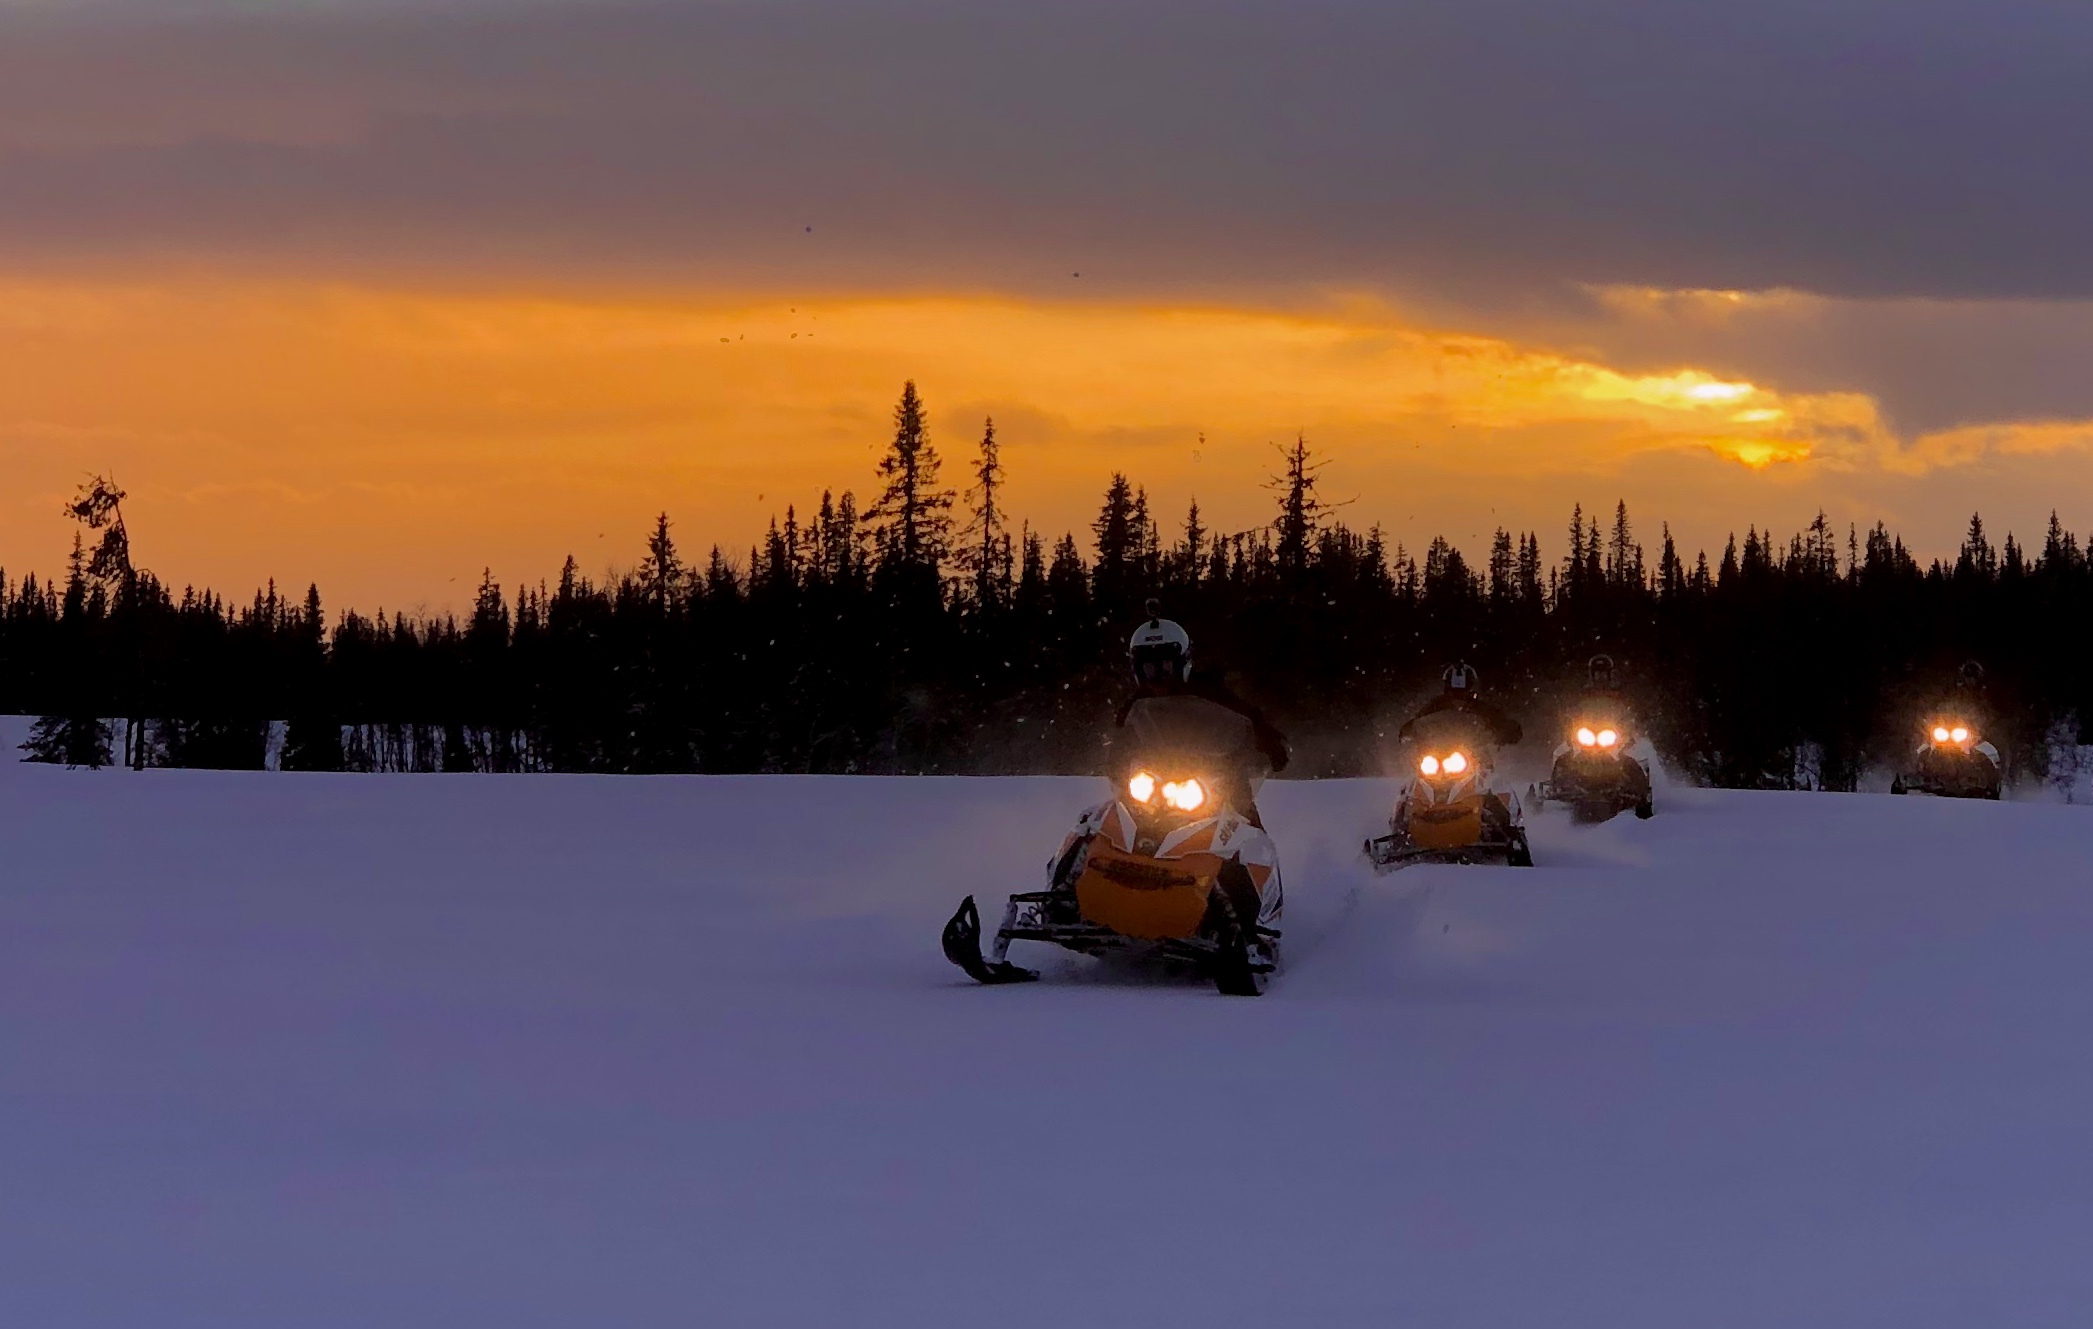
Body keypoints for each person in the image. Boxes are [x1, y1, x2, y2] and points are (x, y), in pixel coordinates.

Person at [1113, 604, 1289, 825]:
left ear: (1182, 663)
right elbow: (1121, 739)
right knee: (1107, 820)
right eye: (1149, 669)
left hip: (1213, 789)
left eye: (1166, 667)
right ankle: (1082, 845)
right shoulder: (1135, 706)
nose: (1158, 677)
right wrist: (1117, 762)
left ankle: (1254, 845)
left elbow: (1251, 719)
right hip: (1152, 791)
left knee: (1244, 822)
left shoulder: (1211, 693)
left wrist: (1269, 742)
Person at [1398, 662, 1523, 748]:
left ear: (1471, 688)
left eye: (1463, 691)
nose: (1458, 697)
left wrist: (1506, 732)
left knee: (1486, 769)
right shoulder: (1436, 706)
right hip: (1437, 754)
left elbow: (1503, 724)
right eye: (1454, 691)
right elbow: (1419, 721)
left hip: (1474, 756)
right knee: (1417, 772)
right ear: (1447, 689)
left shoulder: (1482, 709)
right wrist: (1408, 732)